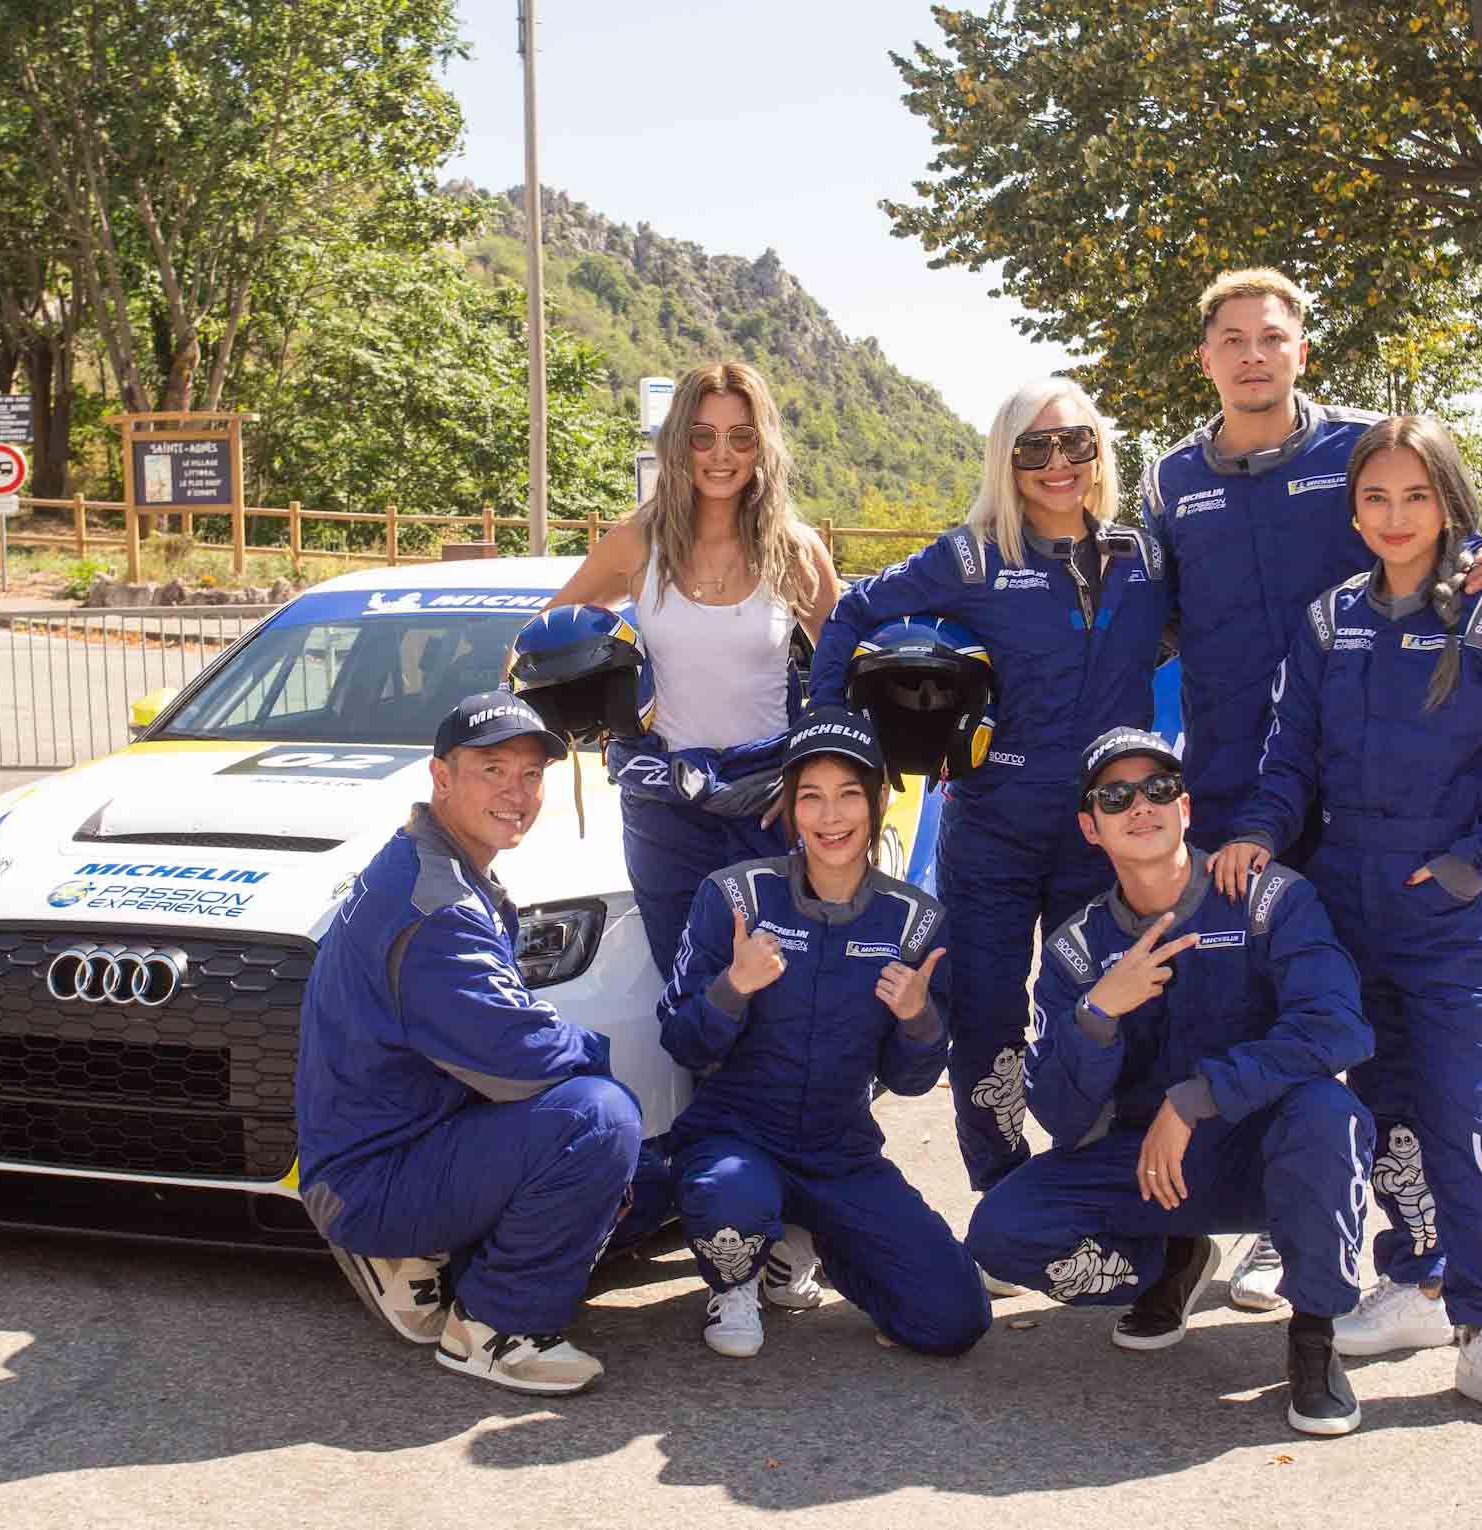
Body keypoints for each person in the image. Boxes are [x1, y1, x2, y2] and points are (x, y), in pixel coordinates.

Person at [1140, 265, 1482, 1312]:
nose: (1253, 355)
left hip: (1366, 807)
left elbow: (1453, 537)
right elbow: (1147, 618)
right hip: (1245, 796)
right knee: (1243, 1012)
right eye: (1232, 339)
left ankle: (1365, 1251)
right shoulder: (1169, 479)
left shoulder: (1362, 450)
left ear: (1301, 349)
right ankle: (1231, 1222)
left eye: (1271, 336)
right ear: (1206, 357)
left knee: (1375, 1046)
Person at [1211, 415, 1482, 1432]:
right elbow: (1290, 758)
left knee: (1459, 1111)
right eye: (1376, 497)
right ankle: (1415, 1280)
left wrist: (1470, 866)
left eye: (1416, 495)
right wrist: (1259, 834)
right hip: (1347, 906)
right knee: (1385, 1110)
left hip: (1450, 917)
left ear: (1448, 502)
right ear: (1354, 511)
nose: (1396, 515)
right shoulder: (1330, 620)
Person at [811, 376, 1169, 1195]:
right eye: (1033, 447)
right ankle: (1002, 1187)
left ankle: (1094, 1187)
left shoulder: (1146, 558)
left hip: (1106, 835)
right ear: (1005, 461)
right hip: (993, 829)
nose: (1057, 463)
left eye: (1074, 442)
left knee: (1106, 1006)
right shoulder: (968, 557)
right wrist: (834, 744)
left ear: (1099, 452)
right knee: (984, 1013)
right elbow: (851, 613)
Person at [965, 726, 1375, 1436]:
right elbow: (1060, 1116)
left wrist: (1197, 1097)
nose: (1140, 806)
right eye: (1115, 797)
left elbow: (1337, 1026)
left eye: (1158, 789)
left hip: (1261, 1152)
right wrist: (1097, 1016)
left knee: (1327, 1114)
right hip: (1146, 1166)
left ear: (1185, 807)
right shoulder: (1076, 948)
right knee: (1002, 1232)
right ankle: (1167, 1262)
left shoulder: (1268, 899)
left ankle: (1315, 1333)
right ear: (1089, 828)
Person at [295, 691, 641, 1396]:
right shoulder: (437, 908)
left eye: (530, 775)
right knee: (599, 1122)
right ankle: (493, 1329)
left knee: (648, 1178)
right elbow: (520, 1054)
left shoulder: (424, 859)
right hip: (371, 1177)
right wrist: (604, 1072)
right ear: (441, 776)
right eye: (493, 770)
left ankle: (419, 1258)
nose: (516, 793)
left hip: (394, 1141)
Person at [658, 706, 991, 1358]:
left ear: (876, 801)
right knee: (729, 1196)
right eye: (810, 796)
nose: (830, 816)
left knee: (953, 1319)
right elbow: (683, 1042)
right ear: (788, 807)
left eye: (848, 794)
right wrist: (734, 986)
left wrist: (918, 1019)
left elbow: (910, 1080)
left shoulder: (915, 919)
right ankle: (735, 1279)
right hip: (736, 1135)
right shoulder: (735, 897)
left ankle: (806, 1241)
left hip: (841, 1151)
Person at [545, 361, 843, 981]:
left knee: (782, 994)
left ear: (763, 445)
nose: (721, 455)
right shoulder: (637, 542)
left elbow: (847, 675)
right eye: (703, 436)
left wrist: (814, 776)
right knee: (688, 993)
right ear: (678, 443)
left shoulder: (794, 549)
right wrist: (588, 709)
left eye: (741, 436)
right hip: (665, 813)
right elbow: (538, 644)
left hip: (769, 808)